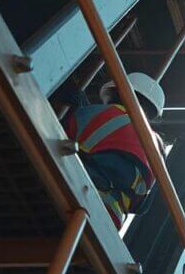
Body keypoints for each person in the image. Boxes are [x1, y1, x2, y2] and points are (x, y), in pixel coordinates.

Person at [61, 72, 165, 229]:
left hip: (75, 196)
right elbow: (141, 206)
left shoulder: (105, 114)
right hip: (109, 223)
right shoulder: (156, 150)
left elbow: (60, 132)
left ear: (115, 92)